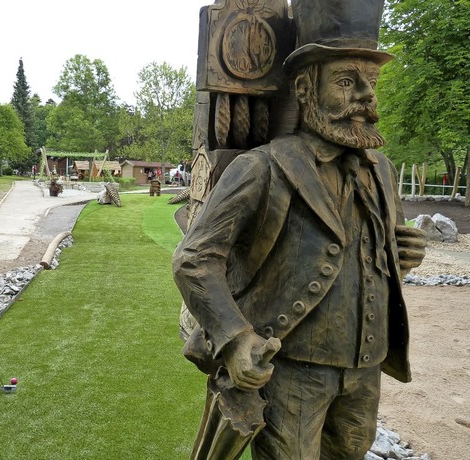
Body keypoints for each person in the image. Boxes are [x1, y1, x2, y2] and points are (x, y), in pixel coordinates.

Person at [173, 1, 427, 458]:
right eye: (348, 82)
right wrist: (235, 338)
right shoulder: (263, 168)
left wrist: (401, 253)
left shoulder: (383, 170)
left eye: (371, 83)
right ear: (307, 89)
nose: (367, 97)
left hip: (364, 369)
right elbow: (194, 259)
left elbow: (373, 259)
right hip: (290, 374)